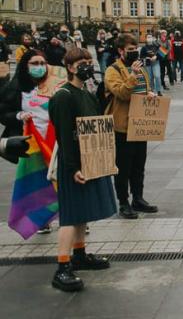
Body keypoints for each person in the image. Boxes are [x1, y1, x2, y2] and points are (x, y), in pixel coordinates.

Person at [48, 47, 116, 291]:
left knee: (81, 213)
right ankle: (62, 267)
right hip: (72, 164)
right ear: (69, 67)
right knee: (69, 215)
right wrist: (72, 167)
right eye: (81, 62)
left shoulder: (85, 93)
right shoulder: (64, 96)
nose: (87, 65)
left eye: (89, 61)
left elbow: (96, 126)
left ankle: (79, 254)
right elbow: (65, 135)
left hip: (88, 160)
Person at [0, 49, 60, 235]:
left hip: (54, 139)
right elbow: (3, 113)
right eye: (35, 63)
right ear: (25, 66)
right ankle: (40, 219)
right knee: (36, 183)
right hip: (31, 142)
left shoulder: (53, 84)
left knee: (61, 178)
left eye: (43, 63)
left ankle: (71, 215)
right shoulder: (15, 87)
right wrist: (19, 116)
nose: (39, 67)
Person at [105, 33, 158, 219]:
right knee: (123, 167)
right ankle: (123, 202)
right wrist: (133, 75)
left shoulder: (140, 69)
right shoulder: (113, 70)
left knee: (138, 165)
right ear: (120, 51)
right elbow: (121, 93)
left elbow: (144, 89)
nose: (134, 53)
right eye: (129, 50)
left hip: (139, 124)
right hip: (122, 125)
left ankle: (138, 198)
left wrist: (150, 94)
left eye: (135, 49)